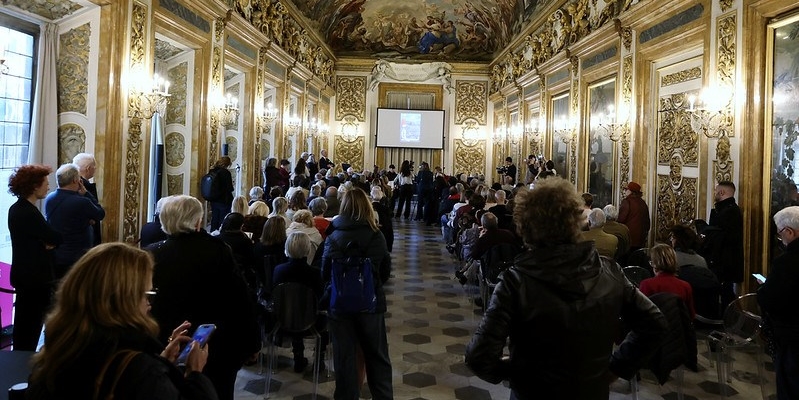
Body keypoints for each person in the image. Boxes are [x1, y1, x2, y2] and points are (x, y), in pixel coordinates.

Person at [465, 177, 667, 399]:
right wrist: (615, 369)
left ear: (525, 225)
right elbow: (654, 323)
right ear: (576, 220)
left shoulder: (516, 281)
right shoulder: (610, 271)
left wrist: (519, 373)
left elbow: (478, 356)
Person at [26, 243, 217, 400]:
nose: (149, 304)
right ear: (124, 300)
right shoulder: (143, 373)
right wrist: (195, 375)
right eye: (147, 294)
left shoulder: (59, 348)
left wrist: (161, 362)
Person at [145, 195, 260, 400]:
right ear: (198, 221)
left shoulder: (151, 255)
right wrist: (252, 342)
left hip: (165, 343)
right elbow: (240, 300)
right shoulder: (218, 250)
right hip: (215, 345)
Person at [321, 188, 393, 400]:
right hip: (370, 304)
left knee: (345, 359)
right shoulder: (375, 235)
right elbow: (385, 271)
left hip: (340, 305)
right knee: (377, 358)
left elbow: (324, 272)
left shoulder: (333, 236)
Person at [7, 165, 63, 351]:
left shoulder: (18, 209)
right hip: (34, 278)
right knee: (29, 328)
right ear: (34, 186)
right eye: (45, 183)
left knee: (26, 324)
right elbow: (55, 237)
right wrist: (47, 243)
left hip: (27, 275)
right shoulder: (27, 212)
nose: (48, 186)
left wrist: (46, 241)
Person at [272, 232, 328, 372]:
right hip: (312, 322)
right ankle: (319, 358)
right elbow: (320, 298)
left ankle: (298, 355)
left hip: (283, 319)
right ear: (308, 250)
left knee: (294, 310)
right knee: (322, 318)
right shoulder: (314, 273)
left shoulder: (278, 271)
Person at [758, 206, 799, 400]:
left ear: (790, 232)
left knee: (790, 386)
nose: (780, 239)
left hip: (792, 335)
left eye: (780, 234)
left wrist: (763, 289)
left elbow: (772, 300)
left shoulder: (786, 262)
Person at [45, 163, 105, 279]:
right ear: (75, 180)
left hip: (58, 256)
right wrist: (86, 194)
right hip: (77, 257)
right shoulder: (81, 202)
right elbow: (100, 214)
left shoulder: (50, 198)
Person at [706, 180, 744, 307]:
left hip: (724, 262)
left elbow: (722, 237)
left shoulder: (729, 212)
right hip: (725, 261)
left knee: (726, 295)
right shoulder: (730, 210)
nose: (715, 194)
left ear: (721, 192)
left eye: (716, 191)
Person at [639, 244, 696, 318]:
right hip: (678, 328)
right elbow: (691, 315)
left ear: (654, 263)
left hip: (655, 328)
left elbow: (640, 315)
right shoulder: (686, 286)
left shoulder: (646, 284)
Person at [73, 153, 102, 245]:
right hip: (86, 235)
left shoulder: (72, 184)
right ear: (88, 168)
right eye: (94, 167)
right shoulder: (83, 187)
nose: (95, 169)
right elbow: (98, 212)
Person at [618, 181, 650, 251]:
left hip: (630, 238)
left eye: (626, 189)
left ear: (631, 191)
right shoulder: (643, 203)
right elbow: (647, 222)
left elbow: (621, 219)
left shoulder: (627, 201)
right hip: (641, 239)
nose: (625, 191)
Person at [208, 156, 234, 232]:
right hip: (224, 200)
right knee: (223, 220)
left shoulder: (212, 171)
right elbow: (229, 188)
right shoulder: (226, 172)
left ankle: (212, 234)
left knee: (214, 218)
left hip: (214, 199)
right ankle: (220, 236)